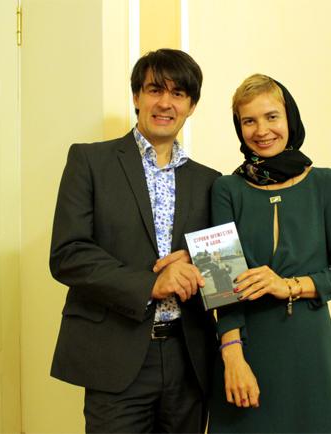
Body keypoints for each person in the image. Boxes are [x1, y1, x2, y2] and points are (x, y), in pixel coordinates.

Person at [49, 48, 221, 433]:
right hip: (115, 356)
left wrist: (196, 260)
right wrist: (151, 284)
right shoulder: (89, 162)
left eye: (178, 94)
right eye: (155, 90)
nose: (165, 102)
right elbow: (68, 254)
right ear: (136, 97)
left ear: (191, 105)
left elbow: (223, 272)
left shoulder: (211, 181)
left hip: (189, 360)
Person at [207, 74, 331, 433]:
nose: (262, 130)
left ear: (290, 117)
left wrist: (287, 286)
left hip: (311, 351)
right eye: (249, 121)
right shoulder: (225, 190)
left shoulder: (326, 183)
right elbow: (219, 284)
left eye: (272, 116)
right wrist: (233, 358)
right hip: (247, 352)